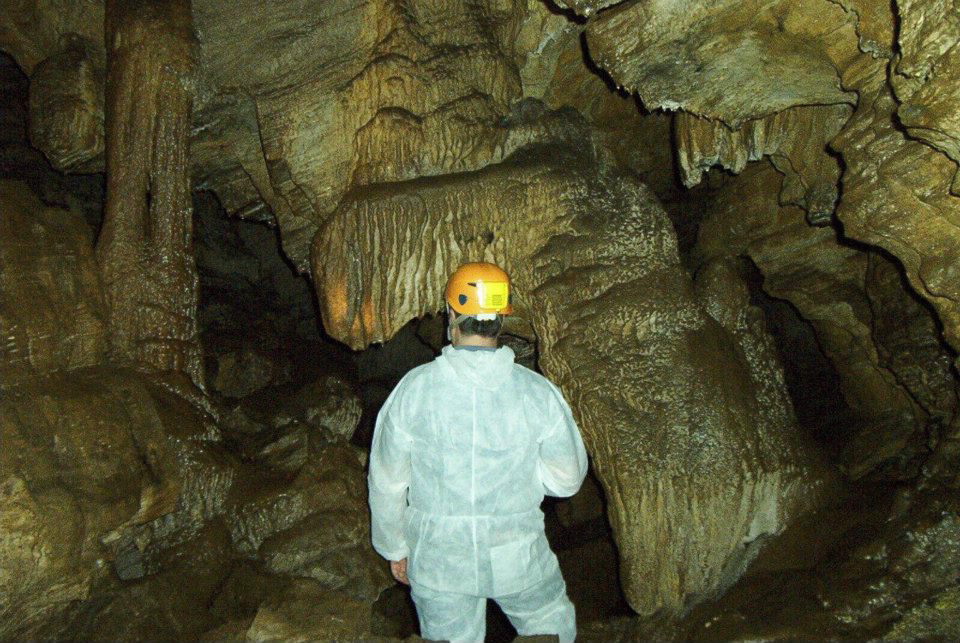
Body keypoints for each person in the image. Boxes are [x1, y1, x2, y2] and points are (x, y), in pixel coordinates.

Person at [368, 261, 588, 642]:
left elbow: (387, 480)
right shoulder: (537, 393)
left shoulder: (414, 390)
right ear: (501, 320)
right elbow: (567, 480)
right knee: (549, 626)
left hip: (440, 559)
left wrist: (394, 547)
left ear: (452, 315)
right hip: (516, 553)